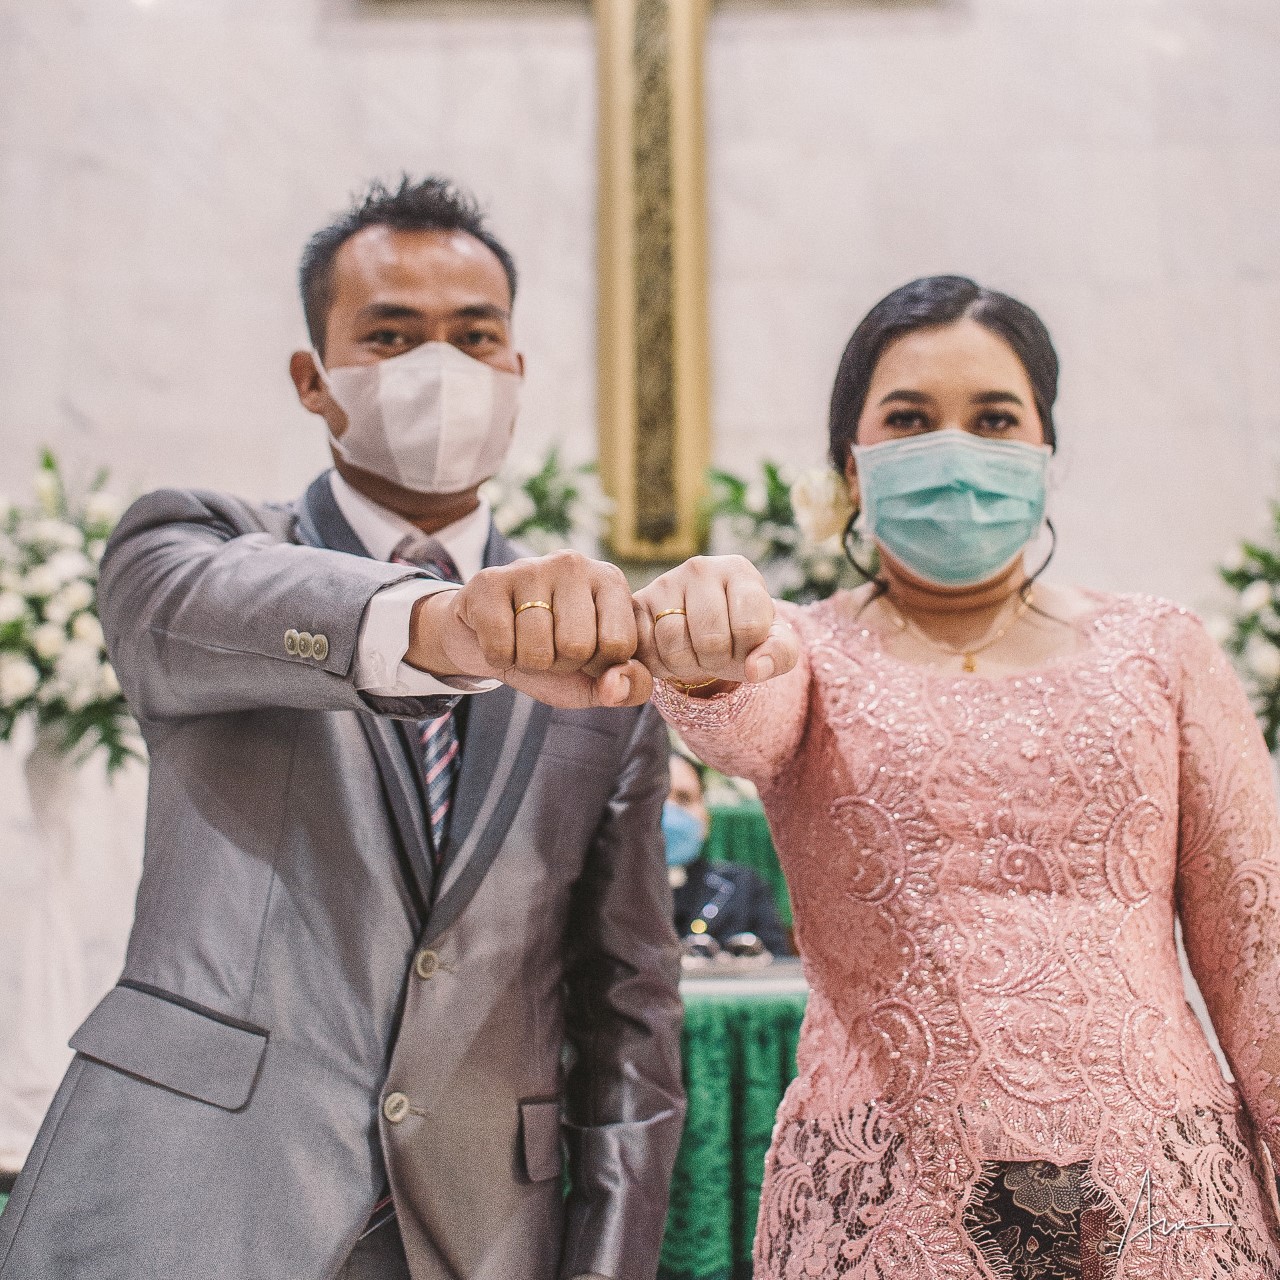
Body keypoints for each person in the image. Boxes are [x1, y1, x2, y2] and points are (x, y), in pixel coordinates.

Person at [0, 177, 685, 1280]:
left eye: (475, 337)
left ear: (516, 371)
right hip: (198, 1202)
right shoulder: (192, 546)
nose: (440, 367)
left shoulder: (589, 647)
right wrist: (444, 625)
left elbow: (627, 1012)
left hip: (477, 1228)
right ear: (313, 380)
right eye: (391, 335)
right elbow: (206, 605)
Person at [631, 276, 1280, 1276]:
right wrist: (705, 648)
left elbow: (1258, 950)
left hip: (1160, 1198)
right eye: (908, 419)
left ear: (1045, 450)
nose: (955, 449)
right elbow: (734, 715)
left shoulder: (1161, 651)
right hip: (889, 1204)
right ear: (851, 467)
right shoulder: (802, 653)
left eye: (993, 419)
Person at [664, 753, 791, 957]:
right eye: (657, 798)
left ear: (705, 819)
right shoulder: (611, 891)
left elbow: (779, 966)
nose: (668, 810)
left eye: (683, 798)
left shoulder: (743, 888)